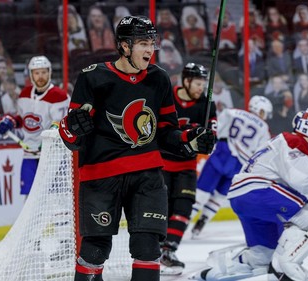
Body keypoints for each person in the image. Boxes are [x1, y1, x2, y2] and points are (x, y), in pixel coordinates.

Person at [57, 16, 215, 281]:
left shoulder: (159, 78)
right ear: (124, 46)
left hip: (147, 175)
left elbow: (166, 132)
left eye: (152, 43)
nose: (150, 50)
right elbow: (73, 137)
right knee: (95, 250)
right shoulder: (93, 77)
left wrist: (190, 140)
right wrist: (72, 127)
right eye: (143, 43)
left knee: (147, 247)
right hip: (100, 177)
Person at [194, 108, 308, 281]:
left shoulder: (282, 142)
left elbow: (297, 178)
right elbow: (305, 181)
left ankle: (215, 270)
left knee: (262, 255)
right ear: (306, 128)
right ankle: (284, 268)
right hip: (258, 191)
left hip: (243, 196)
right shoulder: (293, 140)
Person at [159, 63, 217, 276]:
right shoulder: (167, 97)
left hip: (186, 166)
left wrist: (207, 138)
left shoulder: (207, 105)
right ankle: (155, 249)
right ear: (186, 81)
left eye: (203, 84)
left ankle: (169, 251)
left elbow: (213, 138)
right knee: (162, 207)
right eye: (198, 84)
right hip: (162, 163)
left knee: (183, 208)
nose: (201, 88)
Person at [190, 96, 273, 238]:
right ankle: (201, 224)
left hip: (222, 153)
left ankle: (183, 222)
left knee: (201, 193)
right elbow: (261, 153)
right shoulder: (264, 128)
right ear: (260, 110)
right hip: (239, 166)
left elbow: (216, 129)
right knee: (219, 196)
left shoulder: (232, 112)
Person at [0, 55, 70, 197]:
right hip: (29, 154)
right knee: (29, 198)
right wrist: (9, 121)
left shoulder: (59, 96)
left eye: (43, 72)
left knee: (56, 197)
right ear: (31, 74)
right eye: (36, 73)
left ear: (50, 72)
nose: (40, 76)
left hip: (52, 156)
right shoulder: (24, 94)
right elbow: (21, 119)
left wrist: (48, 141)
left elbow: (61, 123)